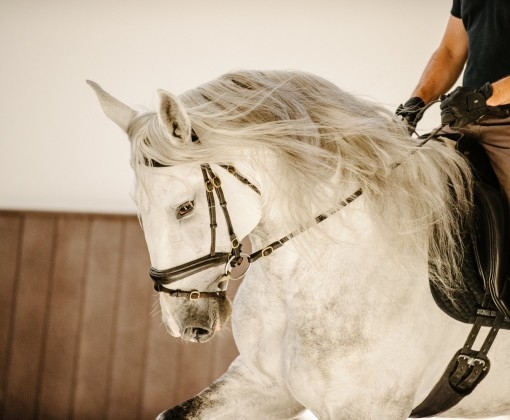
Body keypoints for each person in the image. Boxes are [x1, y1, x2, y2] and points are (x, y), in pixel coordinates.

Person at [396, 0, 510, 214]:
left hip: (503, 121)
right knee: (414, 181)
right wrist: (415, 104)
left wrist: (484, 97)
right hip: (467, 118)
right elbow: (450, 51)